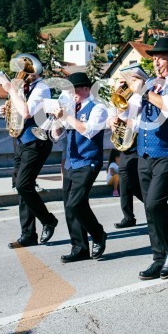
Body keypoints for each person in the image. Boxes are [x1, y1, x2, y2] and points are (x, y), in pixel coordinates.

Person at [118, 37, 168, 280]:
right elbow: (132, 114)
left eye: (161, 57)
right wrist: (121, 108)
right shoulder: (148, 85)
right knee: (151, 209)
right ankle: (158, 257)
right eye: (154, 57)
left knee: (154, 204)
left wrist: (145, 91)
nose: (156, 61)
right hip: (145, 153)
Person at [1, 54, 58, 249]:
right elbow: (18, 110)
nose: (21, 74)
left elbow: (26, 112)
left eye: (25, 70)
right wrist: (7, 109)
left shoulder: (41, 88)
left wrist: (11, 91)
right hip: (22, 141)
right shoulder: (25, 88)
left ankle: (48, 219)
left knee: (23, 184)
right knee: (21, 188)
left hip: (36, 142)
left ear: (35, 72)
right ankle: (28, 234)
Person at [51, 72, 109, 263]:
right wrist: (57, 120)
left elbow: (89, 131)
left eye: (74, 89)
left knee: (76, 203)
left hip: (88, 160)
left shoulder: (98, 108)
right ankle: (79, 246)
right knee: (70, 206)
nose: (71, 93)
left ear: (86, 89)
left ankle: (98, 234)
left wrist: (66, 116)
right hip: (70, 162)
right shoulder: (70, 108)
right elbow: (56, 137)